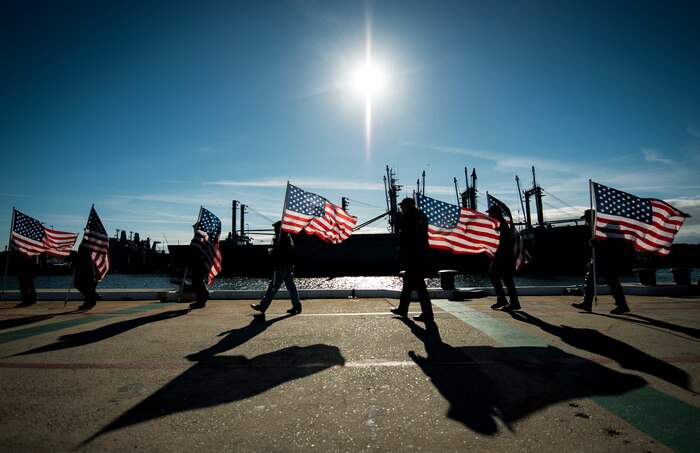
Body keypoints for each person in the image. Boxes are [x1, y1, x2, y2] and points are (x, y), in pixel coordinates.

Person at [572, 209, 630, 314]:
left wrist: (597, 243)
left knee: (611, 281)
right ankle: (587, 302)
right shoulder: (595, 229)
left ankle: (621, 305)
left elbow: (612, 244)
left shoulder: (604, 228)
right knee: (590, 281)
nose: (586, 221)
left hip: (606, 259)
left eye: (587, 218)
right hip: (597, 259)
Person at [390, 197, 434, 322]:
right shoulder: (422, 215)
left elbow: (406, 236)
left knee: (419, 286)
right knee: (408, 284)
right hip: (420, 254)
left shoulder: (409, 216)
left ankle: (428, 314)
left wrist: (399, 252)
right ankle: (403, 309)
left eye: (402, 206)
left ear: (408, 205)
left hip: (413, 255)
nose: (401, 208)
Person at [251, 221, 302, 315]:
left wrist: (271, 252)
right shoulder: (287, 237)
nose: (274, 230)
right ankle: (297, 306)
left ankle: (263, 306)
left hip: (281, 266)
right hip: (288, 265)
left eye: (276, 228)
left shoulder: (281, 238)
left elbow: (280, 253)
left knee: (273, 286)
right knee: (291, 287)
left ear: (280, 228)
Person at [487, 205, 520, 311]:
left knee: (505, 278)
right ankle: (503, 299)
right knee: (496, 276)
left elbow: (503, 240)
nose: (489, 215)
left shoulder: (502, 224)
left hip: (504, 256)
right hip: (501, 256)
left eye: (491, 213)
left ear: (496, 213)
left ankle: (512, 302)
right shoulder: (501, 224)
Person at [188, 222, 210, 309]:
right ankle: (204, 296)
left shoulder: (198, 237)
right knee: (199, 281)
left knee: (197, 282)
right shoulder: (201, 238)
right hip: (200, 263)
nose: (194, 229)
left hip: (198, 263)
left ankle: (200, 301)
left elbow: (195, 251)